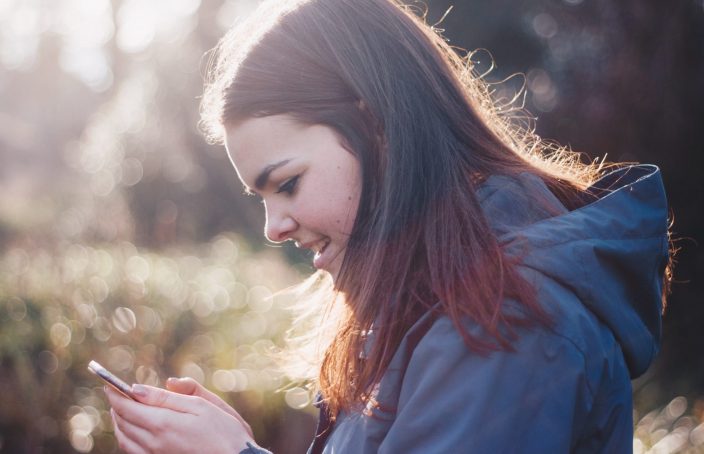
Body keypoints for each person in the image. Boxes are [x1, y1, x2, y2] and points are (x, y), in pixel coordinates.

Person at [104, 0, 672, 452]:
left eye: (288, 183)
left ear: (375, 127)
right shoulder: (439, 299)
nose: (274, 227)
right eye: (262, 197)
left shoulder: (507, 319)